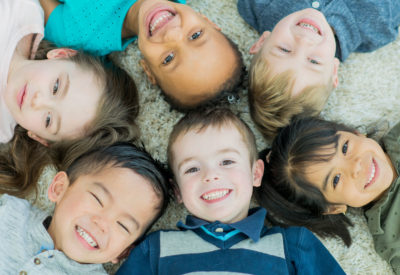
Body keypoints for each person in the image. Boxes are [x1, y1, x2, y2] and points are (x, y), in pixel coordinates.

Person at [116, 108, 345, 275]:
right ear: (176, 190)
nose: (210, 175)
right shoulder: (156, 248)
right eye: (192, 168)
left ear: (256, 173)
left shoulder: (292, 244)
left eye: (226, 162)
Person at [0, 0, 139, 197]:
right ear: (61, 55)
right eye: (56, 87)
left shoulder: (2, 130)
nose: (37, 101)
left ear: (38, 136)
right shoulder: (23, 12)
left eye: (48, 120)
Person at [237, 0, 400, 139]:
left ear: (261, 42)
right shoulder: (378, 24)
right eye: (313, 61)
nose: (304, 41)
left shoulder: (258, 6)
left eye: (284, 49)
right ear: (334, 71)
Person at [0, 142, 170, 274]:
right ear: (59, 188)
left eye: (123, 225)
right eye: (98, 199)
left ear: (122, 252)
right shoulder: (11, 213)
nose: (102, 223)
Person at [40, 0, 245, 109]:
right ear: (208, 21)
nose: (172, 33)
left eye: (168, 59)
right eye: (196, 35)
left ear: (147, 70)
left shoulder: (80, 36)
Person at [258, 116, 400, 273]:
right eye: (336, 179)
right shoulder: (391, 239)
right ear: (333, 207)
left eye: (345, 148)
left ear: (356, 133)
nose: (356, 166)